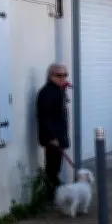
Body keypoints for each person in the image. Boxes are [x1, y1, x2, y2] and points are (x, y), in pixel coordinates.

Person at [36, 63, 71, 202]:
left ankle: (55, 195)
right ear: (51, 76)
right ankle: (50, 197)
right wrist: (52, 137)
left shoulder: (59, 91)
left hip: (59, 135)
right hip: (52, 138)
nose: (63, 78)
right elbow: (44, 117)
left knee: (56, 167)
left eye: (65, 75)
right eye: (59, 75)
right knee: (52, 168)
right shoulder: (46, 93)